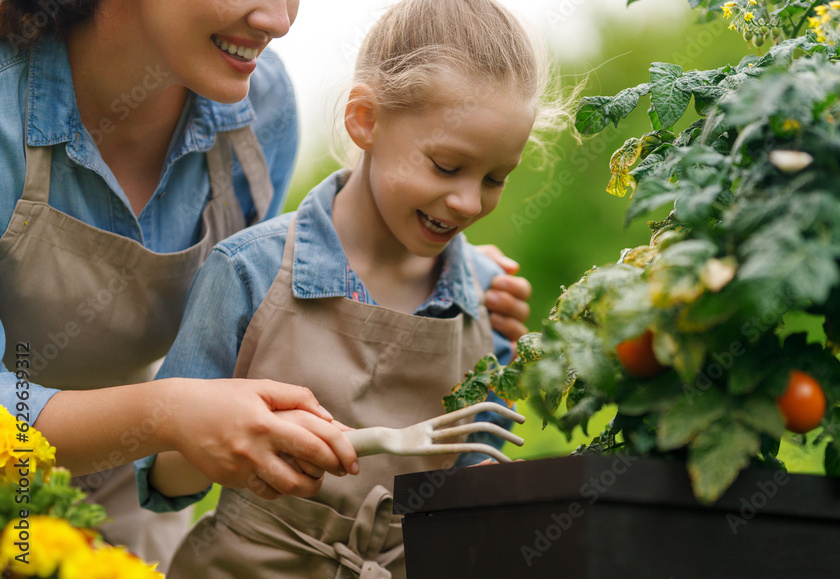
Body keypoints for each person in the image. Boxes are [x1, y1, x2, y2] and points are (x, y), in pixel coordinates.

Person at [0, 0, 533, 569]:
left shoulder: (260, 103)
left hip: (120, 496)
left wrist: (449, 280)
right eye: (448, 167)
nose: (279, 20)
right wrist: (171, 413)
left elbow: (280, 318)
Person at [138, 0, 570, 575]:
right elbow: (162, 477)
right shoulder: (249, 270)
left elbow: (474, 489)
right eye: (446, 166)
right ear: (365, 119)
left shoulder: (487, 302)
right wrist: (236, 441)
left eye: (495, 178)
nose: (470, 202)